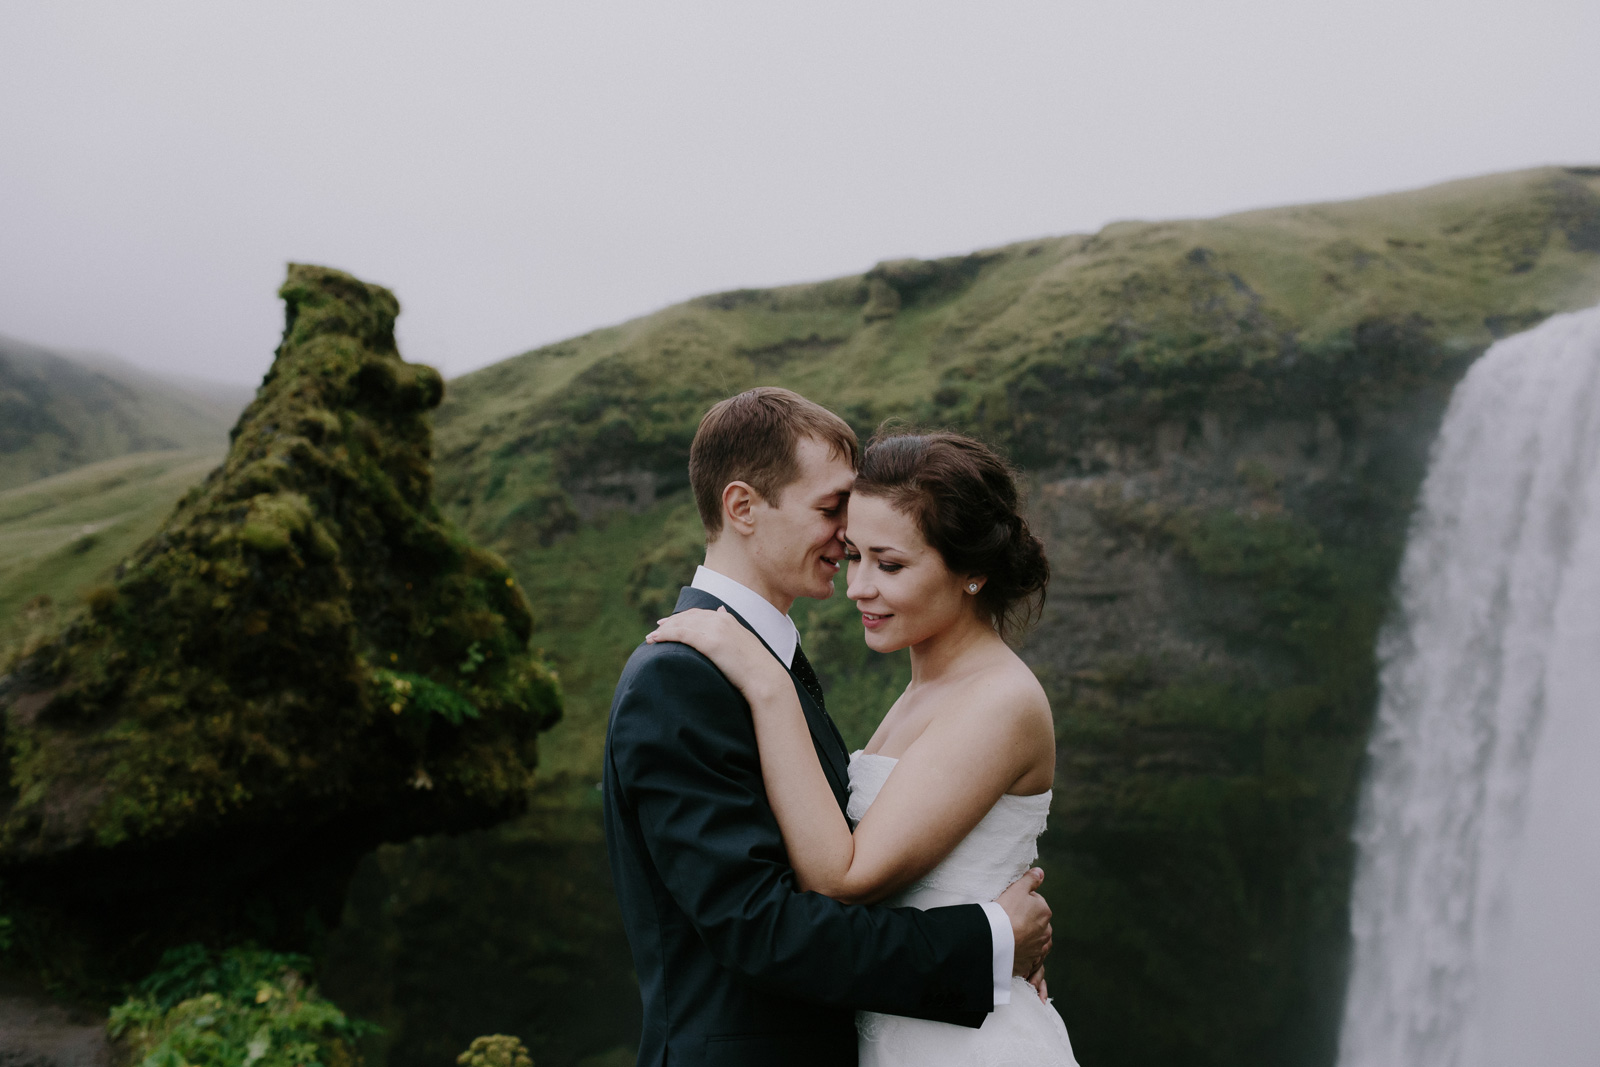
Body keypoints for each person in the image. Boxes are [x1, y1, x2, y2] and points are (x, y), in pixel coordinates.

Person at [603, 388, 1055, 1067]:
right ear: (742, 507)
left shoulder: (769, 665)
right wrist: (990, 942)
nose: (849, 539)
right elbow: (762, 928)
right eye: (830, 508)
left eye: (887, 556)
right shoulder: (683, 677)